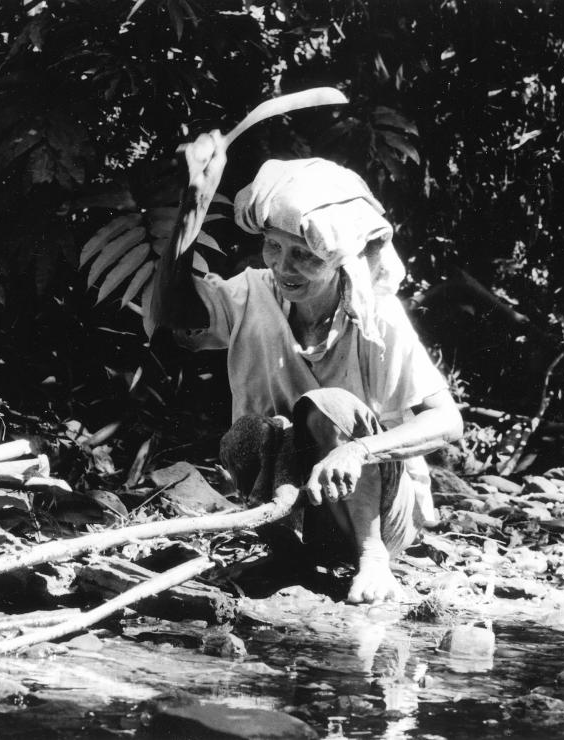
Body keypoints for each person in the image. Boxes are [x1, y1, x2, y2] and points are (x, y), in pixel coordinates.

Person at [149, 131, 463, 604]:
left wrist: (359, 451)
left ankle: (372, 559)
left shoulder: (374, 314)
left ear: (339, 260)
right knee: (246, 433)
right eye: (274, 248)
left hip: (379, 510)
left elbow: (448, 421)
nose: (283, 267)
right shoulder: (253, 292)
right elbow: (175, 316)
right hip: (292, 505)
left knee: (328, 407)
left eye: (304, 255)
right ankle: (287, 555)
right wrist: (192, 207)